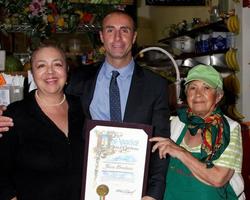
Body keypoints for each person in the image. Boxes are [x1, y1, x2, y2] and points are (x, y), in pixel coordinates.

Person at [0, 10, 170, 200]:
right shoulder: (80, 80)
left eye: (125, 30)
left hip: (134, 191)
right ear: (101, 36)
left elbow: (161, 144)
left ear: (134, 36)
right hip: (89, 190)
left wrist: (153, 195)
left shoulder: (156, 85)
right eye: (110, 30)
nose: (117, 37)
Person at [0, 44, 85, 200]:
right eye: (41, 66)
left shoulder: (83, 109)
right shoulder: (15, 115)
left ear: (67, 70)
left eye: (57, 64)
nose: (50, 72)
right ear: (32, 73)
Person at [150, 64, 245, 200]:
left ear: (218, 96)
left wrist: (180, 152)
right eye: (193, 88)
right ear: (187, 93)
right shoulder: (176, 122)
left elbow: (218, 178)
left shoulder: (229, 129)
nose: (198, 94)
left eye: (206, 87)